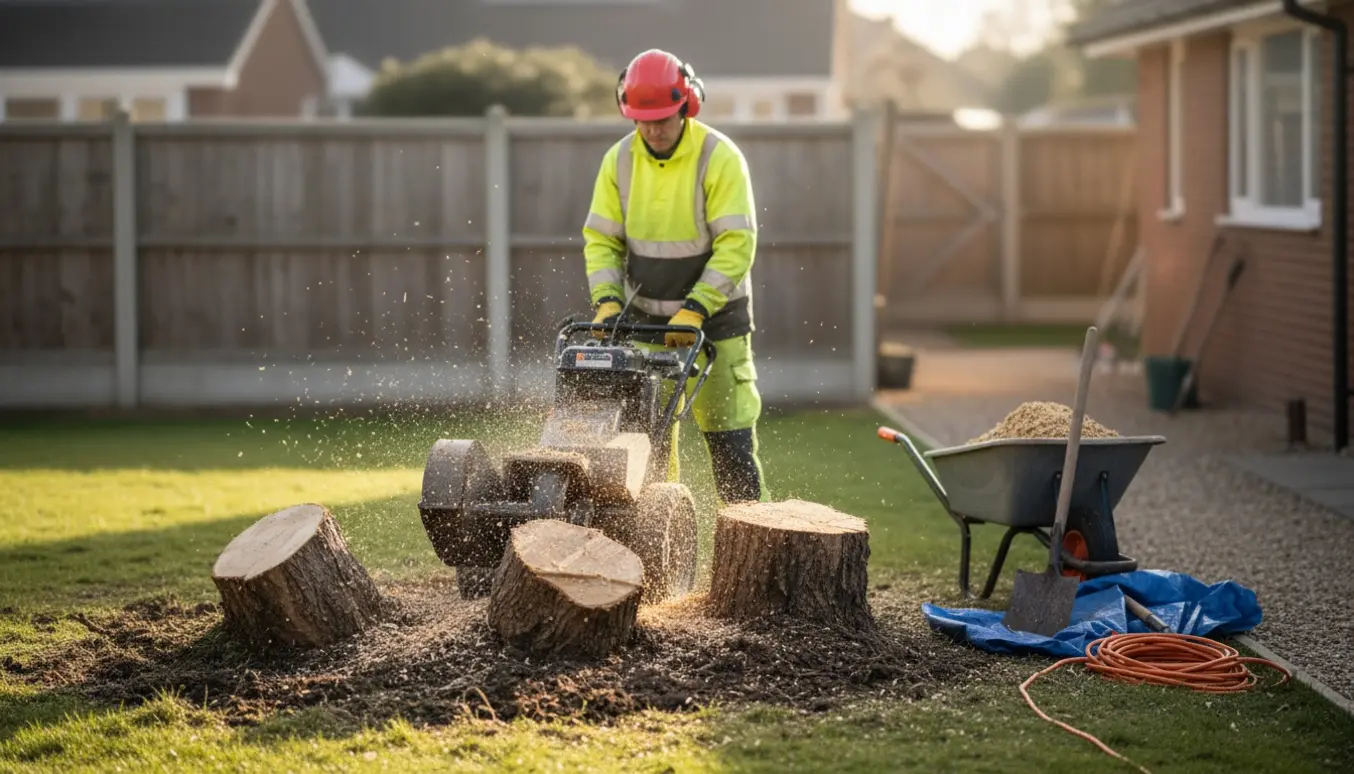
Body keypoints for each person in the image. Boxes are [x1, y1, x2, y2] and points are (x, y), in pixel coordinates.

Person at [580, 48, 766, 506]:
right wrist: (606, 300)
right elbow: (602, 240)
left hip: (716, 325)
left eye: (662, 118)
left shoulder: (718, 157)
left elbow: (736, 244)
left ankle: (752, 562)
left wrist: (697, 308)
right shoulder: (618, 161)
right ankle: (660, 556)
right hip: (643, 327)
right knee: (648, 451)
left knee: (732, 449)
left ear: (687, 105)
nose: (653, 129)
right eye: (642, 120)